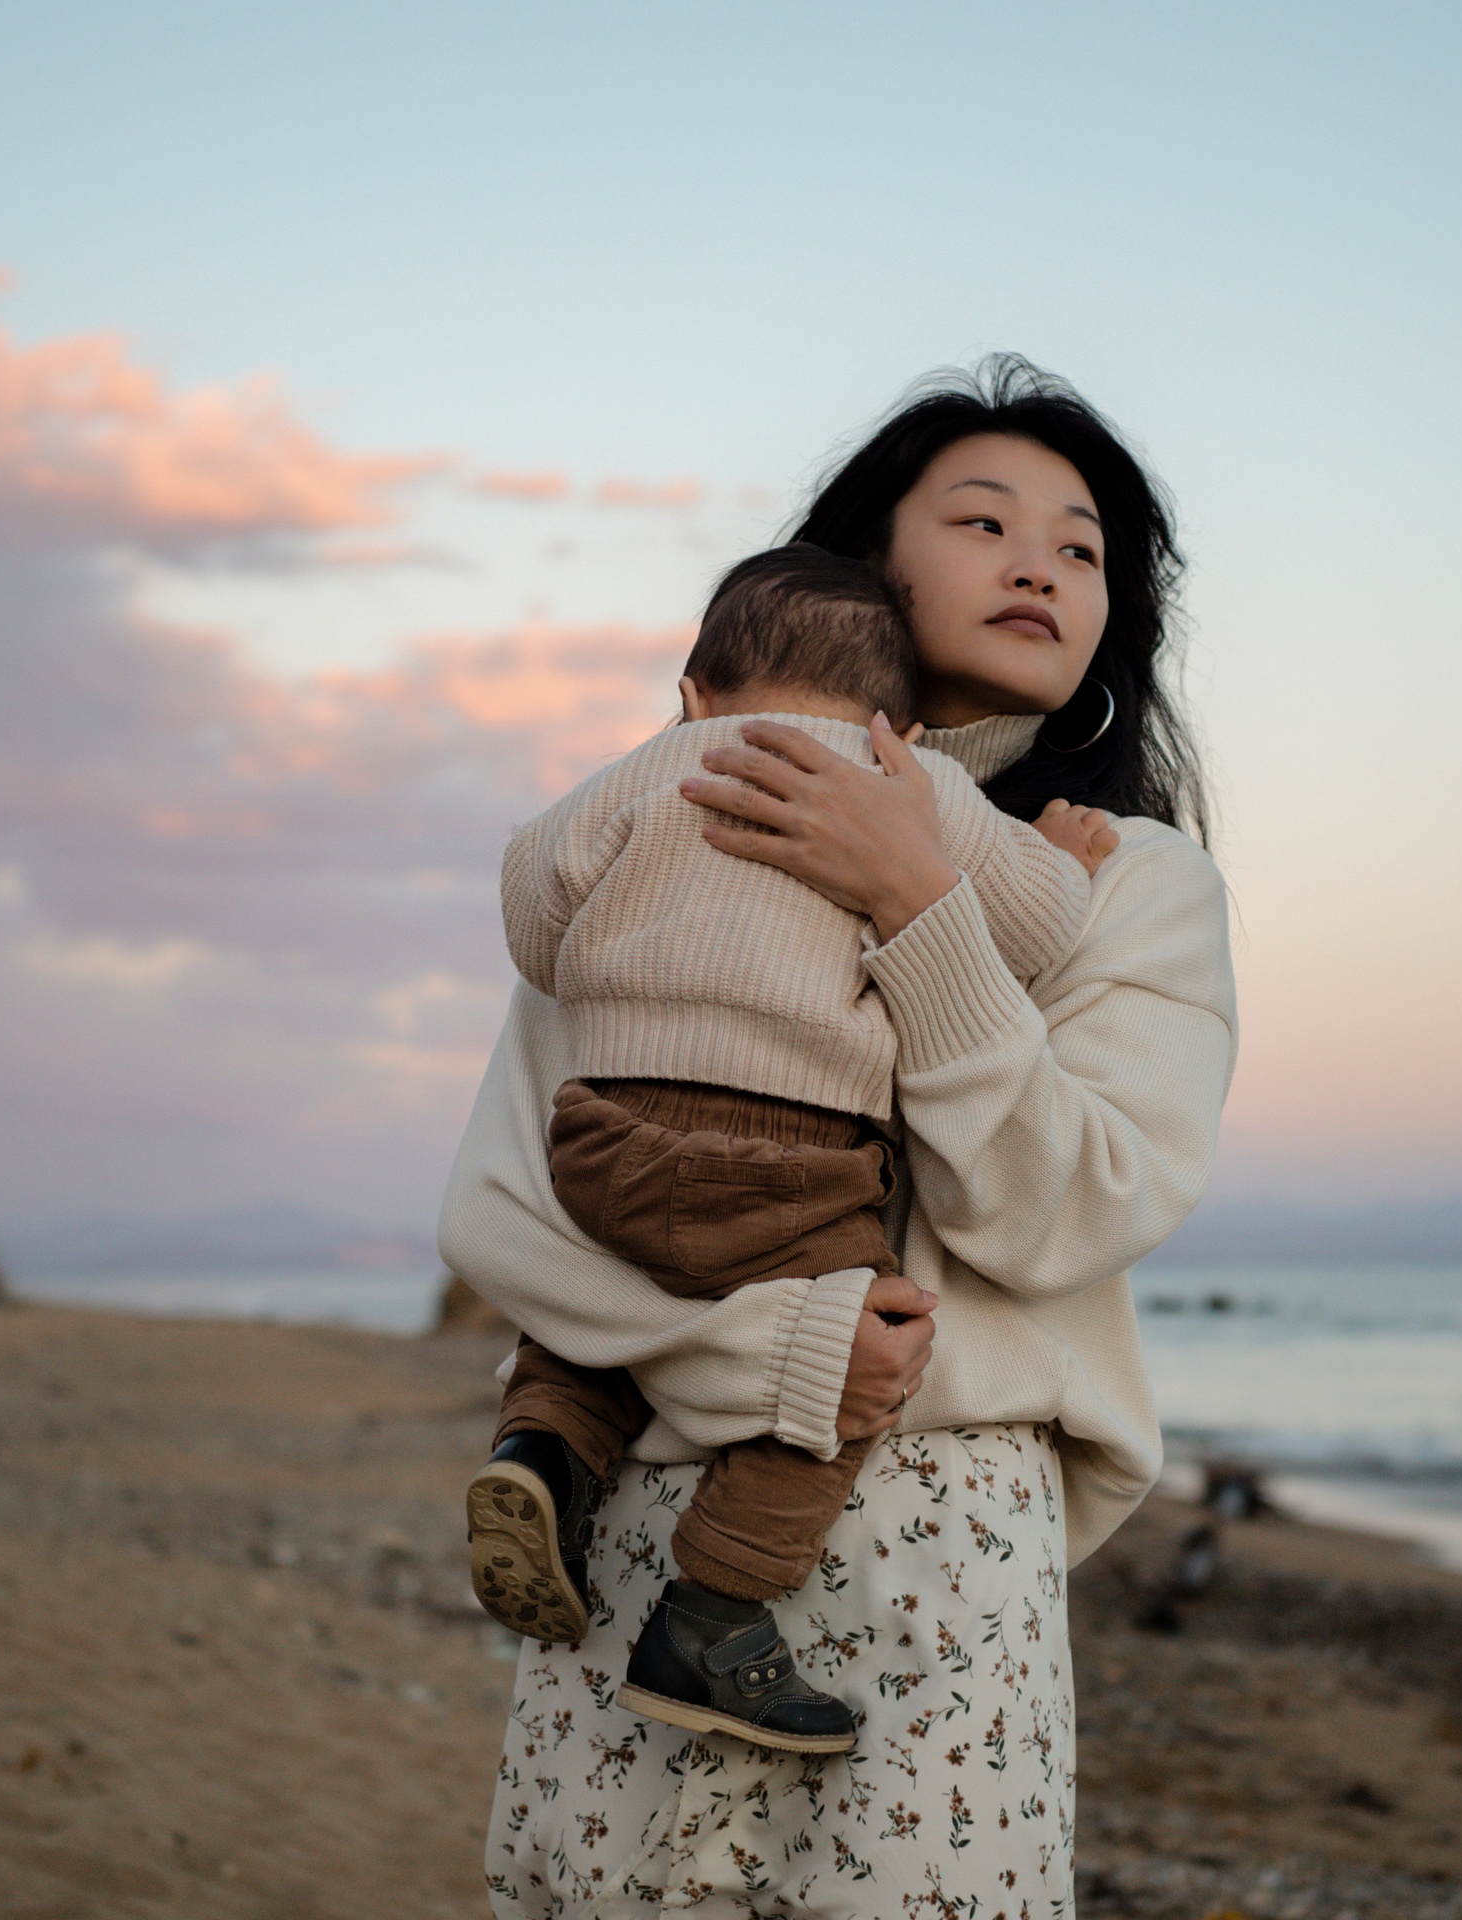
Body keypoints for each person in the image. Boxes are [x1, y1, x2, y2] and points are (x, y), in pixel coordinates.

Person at [439, 356, 1236, 1916]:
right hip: (647, 1529)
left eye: (1082, 551)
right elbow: (510, 1206)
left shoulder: (1128, 885)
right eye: (985, 522)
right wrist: (773, 1360)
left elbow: (1068, 1212)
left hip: (944, 1552)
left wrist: (920, 899)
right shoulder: (692, 815)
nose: (1038, 567)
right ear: (866, 563)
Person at [466, 541, 1114, 1756]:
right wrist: (1066, 868)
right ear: (897, 726)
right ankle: (712, 1616)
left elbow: (532, 920)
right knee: (857, 1355)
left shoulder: (649, 764)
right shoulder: (904, 785)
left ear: (691, 693)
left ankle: (540, 1451)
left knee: (609, 1298)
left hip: (601, 1135)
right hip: (791, 1159)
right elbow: (1028, 932)